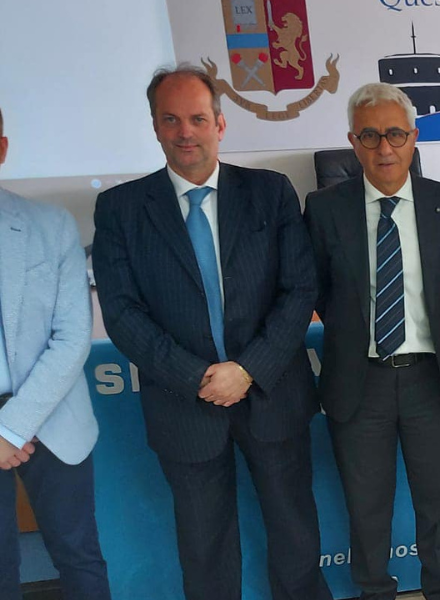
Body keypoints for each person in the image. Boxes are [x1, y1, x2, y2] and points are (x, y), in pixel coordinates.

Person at [91, 66, 332, 600]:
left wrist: (247, 370)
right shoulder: (121, 209)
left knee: (294, 532)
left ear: (220, 124)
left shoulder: (270, 192)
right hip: (184, 404)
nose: (185, 132)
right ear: (155, 126)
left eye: (198, 119)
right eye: (170, 120)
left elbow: (299, 290)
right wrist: (198, 377)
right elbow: (123, 314)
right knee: (204, 549)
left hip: (271, 394)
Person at [304, 83, 440, 600]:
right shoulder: (324, 208)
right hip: (360, 380)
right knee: (366, 506)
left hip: (431, 377)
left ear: (414, 138)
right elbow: (316, 289)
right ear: (352, 142)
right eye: (370, 136)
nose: (384, 148)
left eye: (395, 134)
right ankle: (375, 592)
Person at [0, 106, 111, 600]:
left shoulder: (49, 225)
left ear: (2, 149)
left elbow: (71, 338)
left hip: (52, 414)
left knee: (78, 556)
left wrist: (10, 428)